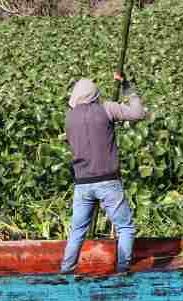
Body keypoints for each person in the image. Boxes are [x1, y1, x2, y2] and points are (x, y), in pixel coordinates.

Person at [60, 73, 146, 275]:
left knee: (77, 232)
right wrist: (128, 89)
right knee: (125, 228)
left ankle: (65, 271)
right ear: (95, 95)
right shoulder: (107, 108)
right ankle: (123, 269)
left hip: (82, 183)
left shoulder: (69, 117)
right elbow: (138, 113)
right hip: (107, 182)